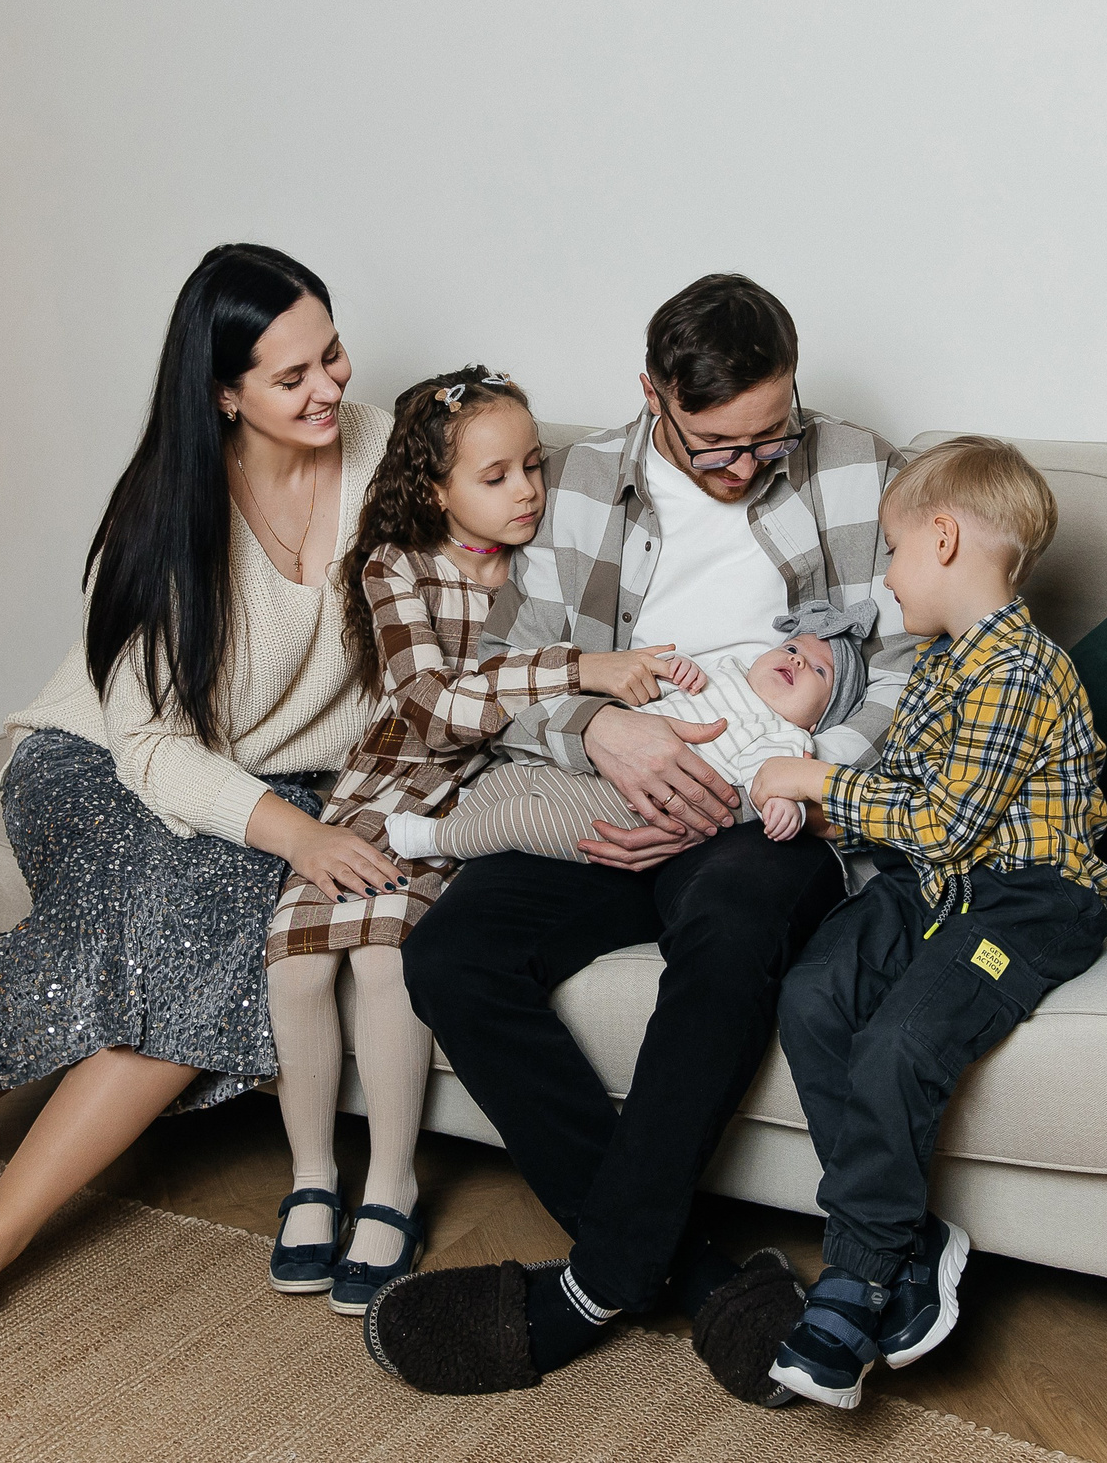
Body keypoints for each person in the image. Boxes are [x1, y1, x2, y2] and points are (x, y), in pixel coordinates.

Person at [0, 244, 407, 1381]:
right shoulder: (162, 519)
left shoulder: (388, 454)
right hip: (99, 760)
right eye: (291, 376)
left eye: (333, 354)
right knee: (165, 907)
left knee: (201, 921)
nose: (329, 388)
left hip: (272, 786)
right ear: (224, 394)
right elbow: (148, 746)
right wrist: (295, 832)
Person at [367, 273, 921, 1405]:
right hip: (607, 798)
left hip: (769, 807)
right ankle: (698, 1279)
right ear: (652, 395)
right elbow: (507, 673)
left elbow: (915, 667)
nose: (747, 465)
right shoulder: (578, 483)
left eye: (771, 435)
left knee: (732, 925)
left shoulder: (860, 469)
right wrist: (598, 729)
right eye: (716, 445)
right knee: (452, 956)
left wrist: (782, 778)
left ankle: (593, 1288)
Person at [265, 367, 675, 1317]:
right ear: (436, 489)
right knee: (296, 959)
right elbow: (429, 703)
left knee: (386, 958)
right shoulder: (395, 566)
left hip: (487, 792)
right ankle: (312, 1175)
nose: (527, 490)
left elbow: (513, 728)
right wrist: (580, 667)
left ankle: (391, 1184)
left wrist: (584, 676)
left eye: (534, 465)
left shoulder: (551, 555)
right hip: (389, 777)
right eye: (496, 476)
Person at [751, 435, 1107, 1410]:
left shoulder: (1020, 670)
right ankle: (910, 1244)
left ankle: (858, 1274)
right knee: (814, 994)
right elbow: (903, 800)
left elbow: (947, 823)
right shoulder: (943, 667)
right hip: (934, 882)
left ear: (943, 538)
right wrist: (815, 807)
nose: (885, 575)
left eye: (894, 550)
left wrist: (817, 778)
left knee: (901, 1040)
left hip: (1027, 899)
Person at [382, 602, 876, 864]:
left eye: (819, 671)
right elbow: (661, 686)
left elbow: (769, 781)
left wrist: (786, 808)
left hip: (636, 808)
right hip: (603, 763)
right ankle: (467, 817)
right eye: (792, 649)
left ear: (820, 718)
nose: (797, 661)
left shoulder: (788, 737)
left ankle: (440, 838)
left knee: (526, 818)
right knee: (511, 780)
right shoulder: (727, 671)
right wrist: (678, 670)